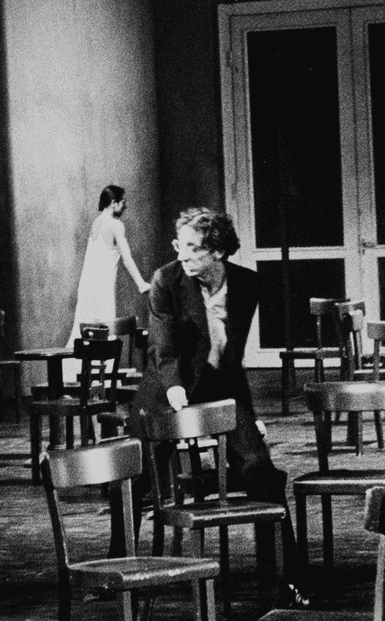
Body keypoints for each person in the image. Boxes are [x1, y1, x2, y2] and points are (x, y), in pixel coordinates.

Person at [127, 207, 302, 591]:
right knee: (136, 476)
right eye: (180, 246)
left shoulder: (248, 284)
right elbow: (164, 347)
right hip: (165, 389)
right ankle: (116, 569)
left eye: (193, 248)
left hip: (221, 388)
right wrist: (175, 390)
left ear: (218, 251)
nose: (183, 255)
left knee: (259, 466)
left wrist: (248, 415)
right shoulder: (166, 281)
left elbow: (230, 355)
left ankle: (285, 577)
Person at [67, 185, 151, 343]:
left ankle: (77, 368)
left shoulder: (97, 222)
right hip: (101, 289)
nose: (125, 206)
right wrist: (141, 284)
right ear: (114, 203)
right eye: (123, 202)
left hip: (86, 289)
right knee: (105, 339)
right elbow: (127, 258)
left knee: (82, 338)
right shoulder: (115, 225)